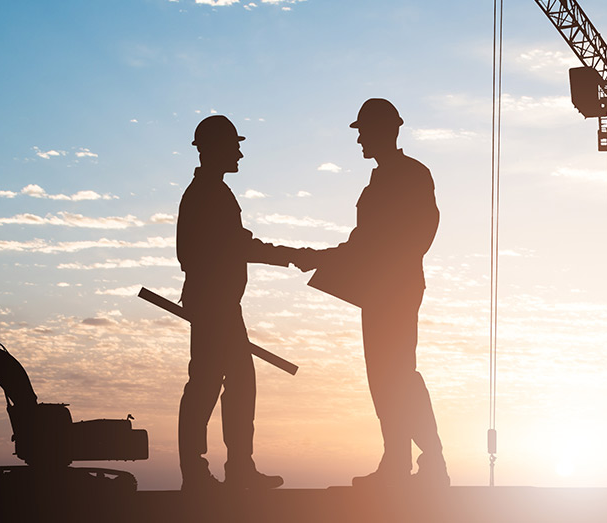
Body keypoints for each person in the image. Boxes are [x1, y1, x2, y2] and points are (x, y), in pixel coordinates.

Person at [293, 98, 450, 488]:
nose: (359, 138)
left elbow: (418, 232)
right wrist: (325, 259)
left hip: (394, 290)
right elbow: (363, 242)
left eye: (363, 131)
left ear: (385, 131)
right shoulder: (381, 179)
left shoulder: (412, 174)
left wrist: (361, 262)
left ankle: (429, 460)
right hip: (379, 290)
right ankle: (398, 461)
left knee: (398, 375)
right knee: (384, 377)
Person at [176, 115, 294, 492]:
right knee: (209, 385)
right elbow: (233, 247)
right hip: (216, 306)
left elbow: (234, 244)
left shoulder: (212, 192)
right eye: (234, 145)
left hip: (221, 304)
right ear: (215, 149)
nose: (240, 152)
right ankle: (207, 472)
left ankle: (232, 469)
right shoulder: (207, 194)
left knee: (230, 383)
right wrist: (293, 255)